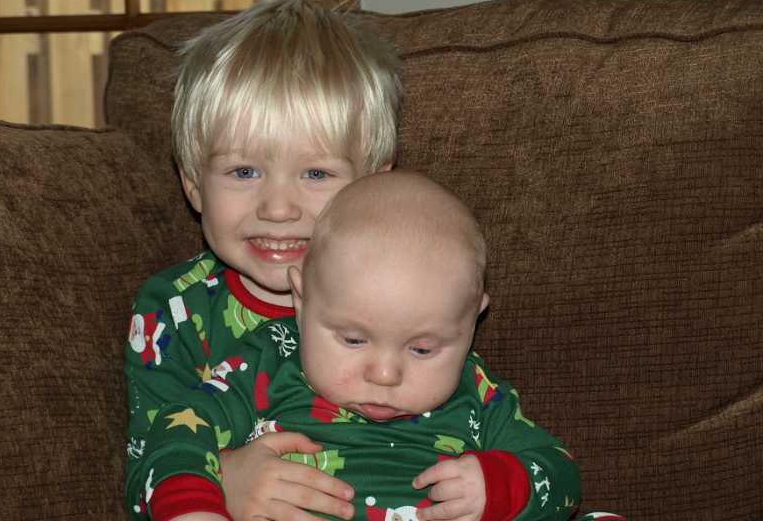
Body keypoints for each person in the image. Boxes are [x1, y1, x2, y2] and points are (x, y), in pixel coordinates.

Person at [136, 171, 585, 521]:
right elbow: (175, 434)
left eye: (422, 350)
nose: (385, 375)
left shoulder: (478, 391)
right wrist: (205, 502)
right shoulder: (267, 361)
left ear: (472, 319)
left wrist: (498, 489)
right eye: (353, 340)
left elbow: (560, 473)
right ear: (301, 301)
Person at [124, 0, 401, 521]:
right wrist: (224, 478)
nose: (277, 208)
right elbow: (146, 467)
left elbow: (475, 414)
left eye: (316, 173)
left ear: (373, 187)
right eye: (244, 171)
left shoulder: (405, 289)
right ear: (193, 184)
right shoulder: (174, 312)